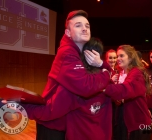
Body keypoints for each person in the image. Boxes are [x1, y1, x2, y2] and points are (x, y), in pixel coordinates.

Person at [14, 10, 111, 140]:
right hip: (51, 124)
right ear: (68, 32)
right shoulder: (67, 53)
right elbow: (85, 87)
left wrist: (103, 65)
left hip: (60, 122)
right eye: (78, 25)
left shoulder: (76, 53)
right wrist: (106, 73)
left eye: (87, 26)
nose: (84, 29)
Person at [65, 37, 112, 140]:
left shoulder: (74, 73)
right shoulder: (105, 75)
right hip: (97, 132)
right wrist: (103, 66)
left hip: (78, 131)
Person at [103, 45, 152, 140]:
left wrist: (103, 88)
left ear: (130, 58)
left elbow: (127, 89)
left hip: (138, 121)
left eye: (121, 56)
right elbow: (120, 95)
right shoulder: (120, 73)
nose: (118, 59)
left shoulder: (136, 72)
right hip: (124, 118)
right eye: (117, 56)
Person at [105, 49, 127, 140]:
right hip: (106, 104)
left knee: (117, 127)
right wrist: (109, 80)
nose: (113, 60)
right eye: (110, 58)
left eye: (115, 57)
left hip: (117, 105)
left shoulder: (119, 70)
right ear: (106, 59)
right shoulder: (102, 70)